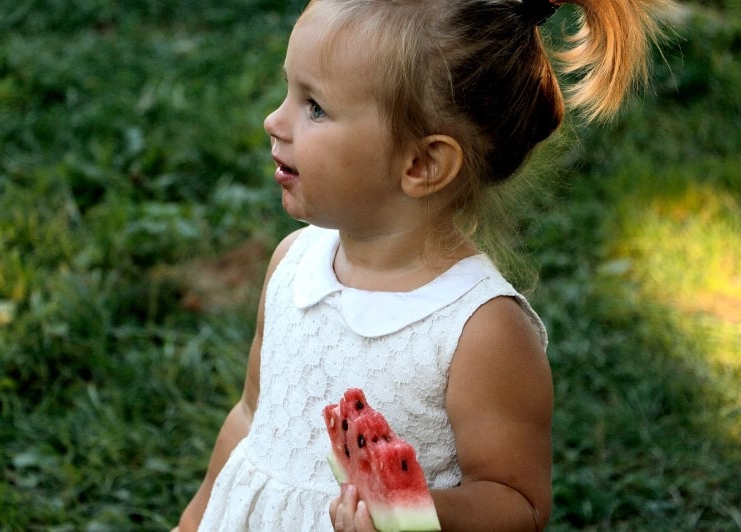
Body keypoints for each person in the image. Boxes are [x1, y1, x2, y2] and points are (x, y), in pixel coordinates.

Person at [177, 0, 674, 529]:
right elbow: (251, 418)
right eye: (289, 92)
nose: (273, 120)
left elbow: (518, 502)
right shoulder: (292, 264)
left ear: (421, 164)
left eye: (315, 107)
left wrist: (409, 512)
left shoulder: (481, 330)